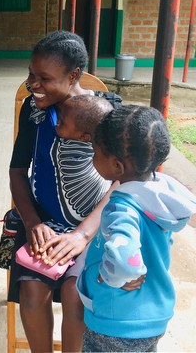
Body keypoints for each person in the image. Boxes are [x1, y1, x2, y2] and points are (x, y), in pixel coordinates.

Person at [8, 30, 122, 352]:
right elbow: (17, 171)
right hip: (43, 222)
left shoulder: (108, 110)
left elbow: (122, 180)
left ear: (73, 75)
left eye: (44, 77)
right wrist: (32, 223)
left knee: (77, 294)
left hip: (94, 224)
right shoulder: (34, 111)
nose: (33, 84)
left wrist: (83, 235)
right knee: (32, 291)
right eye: (31, 74)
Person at [77, 105, 196, 352]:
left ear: (118, 166)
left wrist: (110, 276)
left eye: (95, 153)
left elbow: (126, 261)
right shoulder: (160, 193)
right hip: (153, 315)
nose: (92, 158)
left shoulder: (121, 209)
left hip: (117, 319)